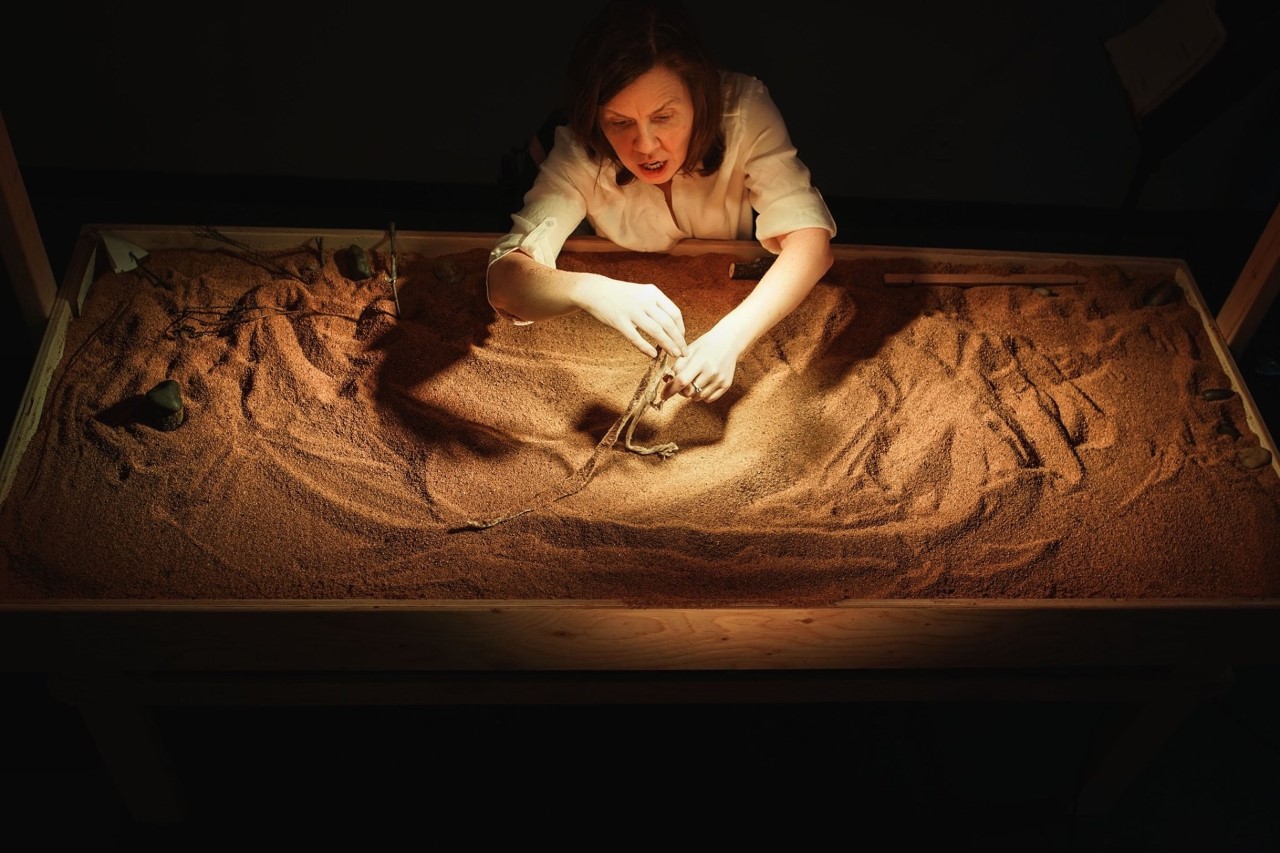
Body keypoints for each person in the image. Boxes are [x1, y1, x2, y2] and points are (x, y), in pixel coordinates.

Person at [486, 0, 836, 405]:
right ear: (596, 118)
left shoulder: (742, 110)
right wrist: (593, 290)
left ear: (699, 97)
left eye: (664, 117)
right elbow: (505, 280)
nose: (646, 145)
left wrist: (730, 337)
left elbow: (810, 241)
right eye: (620, 123)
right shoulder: (580, 152)